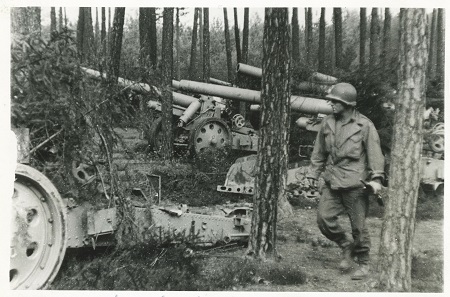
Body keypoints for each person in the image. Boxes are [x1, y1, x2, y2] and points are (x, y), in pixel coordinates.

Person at [306, 82, 385, 280]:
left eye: (335, 101)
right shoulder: (327, 123)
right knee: (323, 219)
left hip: (356, 185)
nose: (331, 103)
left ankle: (364, 263)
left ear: (348, 104)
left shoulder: (364, 125)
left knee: (358, 227)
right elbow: (319, 152)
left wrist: (376, 179)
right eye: (331, 100)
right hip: (332, 182)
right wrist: (312, 174)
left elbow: (375, 154)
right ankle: (345, 244)